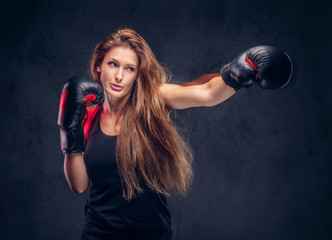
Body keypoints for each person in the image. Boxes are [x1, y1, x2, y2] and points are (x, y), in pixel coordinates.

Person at [57, 28, 292, 240]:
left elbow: (207, 94)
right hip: (97, 234)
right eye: (113, 64)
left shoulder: (153, 100)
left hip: (150, 235)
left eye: (129, 68)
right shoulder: (87, 112)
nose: (119, 77)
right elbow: (79, 186)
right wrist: (69, 129)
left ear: (138, 74)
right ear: (99, 66)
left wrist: (240, 71)